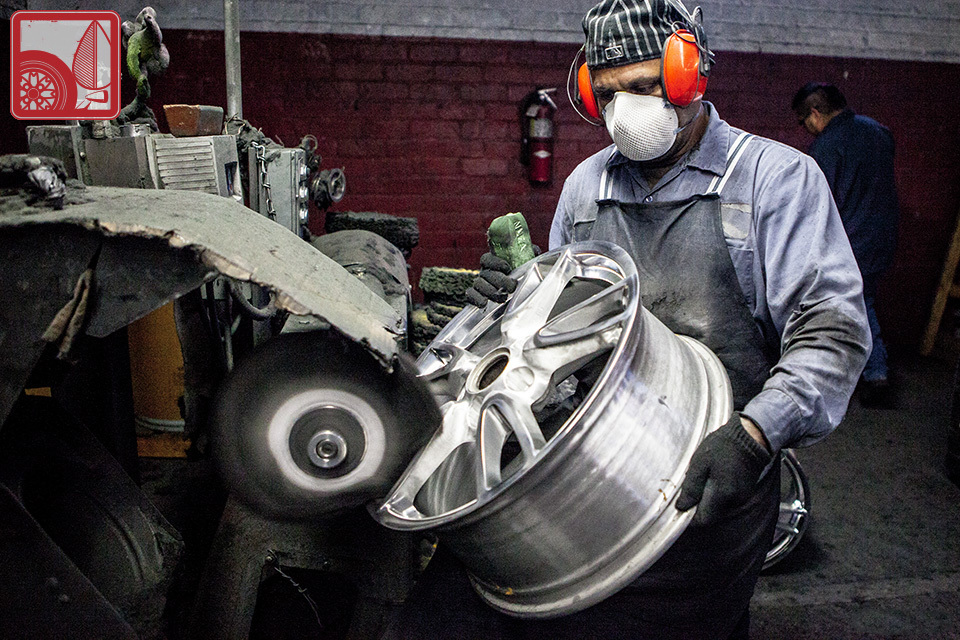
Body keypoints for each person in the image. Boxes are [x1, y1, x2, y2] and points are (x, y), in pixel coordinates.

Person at [467, 1, 871, 638]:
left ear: (691, 75)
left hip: (719, 476)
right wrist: (516, 295)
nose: (625, 110)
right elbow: (558, 325)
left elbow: (834, 332)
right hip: (596, 472)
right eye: (607, 94)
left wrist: (755, 435)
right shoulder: (584, 188)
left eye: (644, 86)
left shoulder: (775, 180)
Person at [792, 82, 899, 407]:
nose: (806, 129)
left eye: (803, 121)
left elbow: (817, 204)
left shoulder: (826, 147)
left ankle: (873, 375)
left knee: (853, 306)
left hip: (850, 242)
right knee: (860, 302)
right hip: (883, 236)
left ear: (814, 113)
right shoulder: (879, 132)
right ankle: (864, 373)